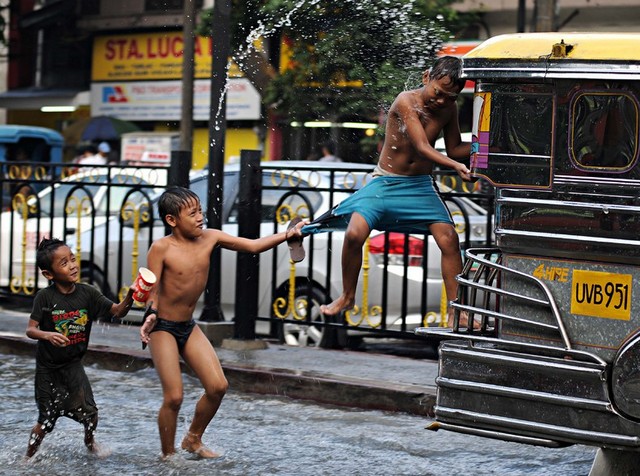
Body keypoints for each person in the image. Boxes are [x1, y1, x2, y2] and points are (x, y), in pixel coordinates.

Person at [301, 56, 472, 327]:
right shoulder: (406, 101)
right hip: (386, 182)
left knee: (449, 239)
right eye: (438, 92)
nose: (441, 101)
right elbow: (421, 146)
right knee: (354, 233)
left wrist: (484, 145)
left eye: (450, 97)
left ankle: (456, 311)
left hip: (419, 185)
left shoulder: (448, 109)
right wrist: (455, 166)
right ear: (426, 77)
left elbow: (454, 149)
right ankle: (347, 296)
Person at [139, 186, 305, 460]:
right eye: (192, 214)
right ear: (172, 220)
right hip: (162, 327)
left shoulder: (210, 237)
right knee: (174, 397)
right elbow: (152, 289)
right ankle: (167, 457)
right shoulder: (161, 248)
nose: (200, 217)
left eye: (200, 211)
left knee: (218, 386)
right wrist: (151, 313)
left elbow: (253, 245)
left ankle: (193, 439)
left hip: (188, 326)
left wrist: (288, 235)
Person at [25, 237, 136, 458]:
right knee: (46, 421)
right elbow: (30, 330)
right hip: (48, 369)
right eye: (64, 263)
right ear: (48, 274)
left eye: (73, 259)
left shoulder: (88, 293)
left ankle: (90, 442)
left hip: (73, 365)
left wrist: (131, 296)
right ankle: (28, 456)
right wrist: (47, 335)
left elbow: (117, 311)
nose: (73, 266)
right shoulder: (45, 297)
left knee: (91, 413)